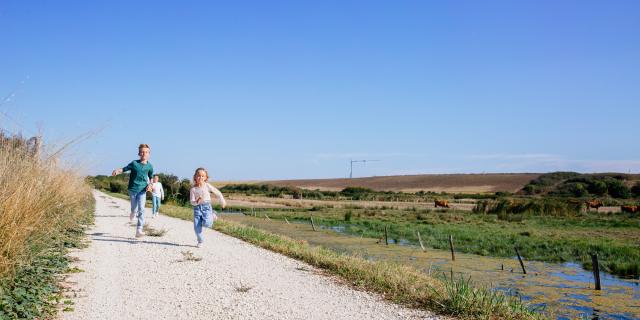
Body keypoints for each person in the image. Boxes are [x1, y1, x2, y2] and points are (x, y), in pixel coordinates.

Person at [112, 144, 154, 238]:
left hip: (142, 190)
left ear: (149, 154)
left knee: (142, 209)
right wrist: (117, 171)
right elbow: (124, 169)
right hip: (133, 189)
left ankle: (139, 229)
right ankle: (132, 213)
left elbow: (151, 177)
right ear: (139, 153)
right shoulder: (134, 163)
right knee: (134, 208)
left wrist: (150, 185)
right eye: (142, 152)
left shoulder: (150, 166)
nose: (144, 153)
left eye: (146, 152)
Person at [190, 167, 226, 247]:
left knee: (207, 224)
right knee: (196, 227)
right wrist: (196, 201)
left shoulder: (207, 186)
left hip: (206, 207)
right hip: (197, 209)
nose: (200, 177)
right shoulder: (193, 189)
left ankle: (212, 216)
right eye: (198, 175)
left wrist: (222, 200)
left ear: (206, 177)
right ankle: (200, 241)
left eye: (203, 176)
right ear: (195, 177)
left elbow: (217, 192)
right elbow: (192, 202)